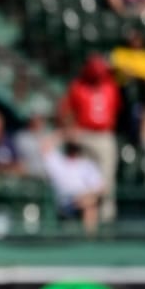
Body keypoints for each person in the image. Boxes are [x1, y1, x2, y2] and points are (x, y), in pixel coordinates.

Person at [58, 54, 121, 222]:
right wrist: (70, 129)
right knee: (84, 180)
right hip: (83, 134)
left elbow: (116, 110)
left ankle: (106, 220)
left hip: (104, 135)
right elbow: (66, 111)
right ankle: (82, 219)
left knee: (106, 181)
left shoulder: (110, 86)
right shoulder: (78, 86)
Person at [42, 138, 104, 236]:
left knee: (90, 206)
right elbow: (45, 147)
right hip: (64, 201)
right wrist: (64, 135)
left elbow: (100, 188)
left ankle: (90, 240)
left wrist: (83, 198)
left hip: (84, 199)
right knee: (87, 203)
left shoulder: (87, 164)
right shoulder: (58, 162)